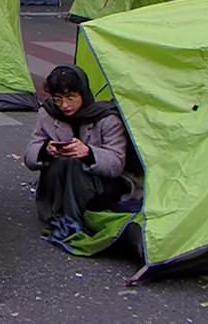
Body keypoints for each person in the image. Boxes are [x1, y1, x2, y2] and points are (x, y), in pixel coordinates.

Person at [23, 65, 129, 232]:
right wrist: (46, 150)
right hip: (60, 182)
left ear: (82, 93)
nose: (64, 105)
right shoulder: (48, 114)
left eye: (70, 97)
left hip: (98, 186)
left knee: (74, 164)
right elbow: (30, 155)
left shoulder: (106, 118)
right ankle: (56, 214)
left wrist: (88, 153)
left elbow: (117, 163)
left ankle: (77, 217)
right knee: (63, 162)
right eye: (58, 99)